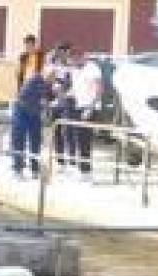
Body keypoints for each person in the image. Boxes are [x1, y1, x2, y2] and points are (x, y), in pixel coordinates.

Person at [67, 48, 102, 178]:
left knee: (85, 140)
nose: (73, 62)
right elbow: (75, 89)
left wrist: (90, 108)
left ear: (82, 57)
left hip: (90, 108)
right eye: (72, 60)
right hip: (78, 106)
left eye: (75, 59)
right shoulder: (74, 70)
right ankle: (82, 169)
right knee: (77, 139)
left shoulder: (93, 68)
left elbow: (99, 89)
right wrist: (61, 96)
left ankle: (86, 172)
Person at [11, 67, 47, 179]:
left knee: (35, 141)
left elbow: (47, 100)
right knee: (19, 140)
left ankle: (35, 169)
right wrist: (42, 105)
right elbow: (23, 96)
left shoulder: (50, 84)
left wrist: (45, 106)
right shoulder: (36, 79)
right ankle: (18, 169)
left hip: (35, 113)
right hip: (22, 111)